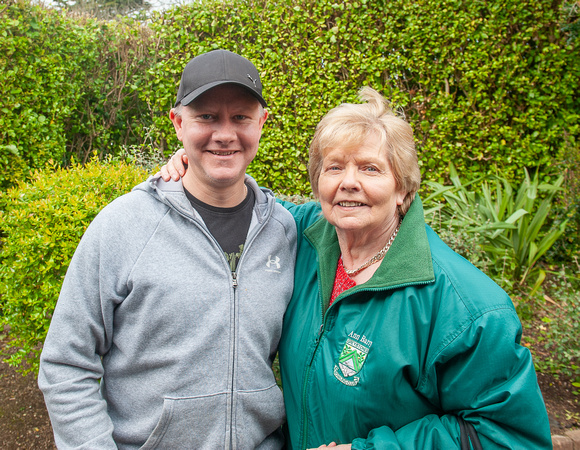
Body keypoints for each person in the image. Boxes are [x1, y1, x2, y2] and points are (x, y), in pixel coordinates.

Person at [161, 87, 552, 448]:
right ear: (318, 183)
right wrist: (198, 162)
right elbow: (247, 202)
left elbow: (508, 435)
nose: (349, 182)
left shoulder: (468, 309)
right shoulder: (300, 236)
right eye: (334, 168)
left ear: (403, 189)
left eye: (370, 168)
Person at [38, 49, 297, 449]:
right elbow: (67, 363)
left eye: (240, 117)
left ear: (262, 123)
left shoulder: (284, 229)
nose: (225, 134)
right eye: (206, 117)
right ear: (178, 123)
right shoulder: (124, 225)